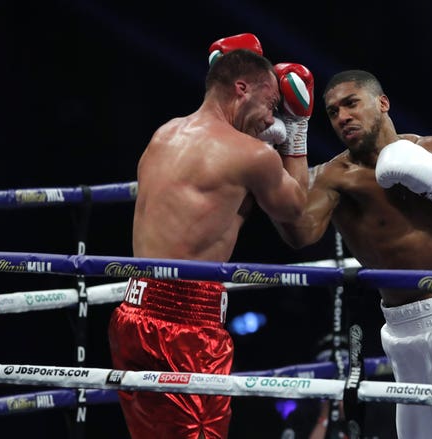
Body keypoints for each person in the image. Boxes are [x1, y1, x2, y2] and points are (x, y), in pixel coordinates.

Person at [274, 69, 432, 439]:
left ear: (382, 103)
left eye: (351, 103)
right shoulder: (334, 178)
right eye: (332, 112)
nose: (342, 117)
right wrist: (290, 140)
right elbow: (300, 234)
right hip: (404, 329)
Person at [107, 33, 314, 439]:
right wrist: (299, 126)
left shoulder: (164, 134)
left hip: (132, 312)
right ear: (242, 88)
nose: (272, 118)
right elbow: (297, 213)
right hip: (186, 323)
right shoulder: (251, 156)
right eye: (272, 104)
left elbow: (214, 206)